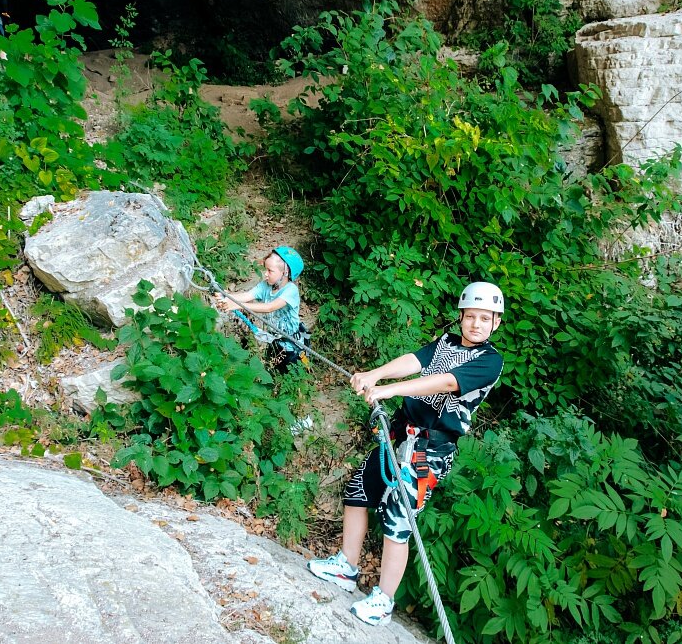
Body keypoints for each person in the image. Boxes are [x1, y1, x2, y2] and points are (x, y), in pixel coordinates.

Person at [307, 281, 505, 626]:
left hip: (430, 451)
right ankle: (346, 565)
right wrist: (374, 374)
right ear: (460, 317)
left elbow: (445, 382)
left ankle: (384, 600)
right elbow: (415, 360)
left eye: (484, 318)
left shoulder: (489, 361)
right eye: (470, 316)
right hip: (399, 436)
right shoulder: (446, 342)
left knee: (398, 520)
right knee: (358, 491)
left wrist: (387, 390)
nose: (476, 324)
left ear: (496, 323)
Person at [216, 246, 307, 374]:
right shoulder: (266, 285)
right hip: (274, 340)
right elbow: (248, 295)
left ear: (285, 273)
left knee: (290, 374)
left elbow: (269, 307)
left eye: (270, 271)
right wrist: (227, 297)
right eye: (266, 269)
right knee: (272, 371)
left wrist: (236, 305)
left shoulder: (290, 290)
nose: (265, 273)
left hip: (292, 345)